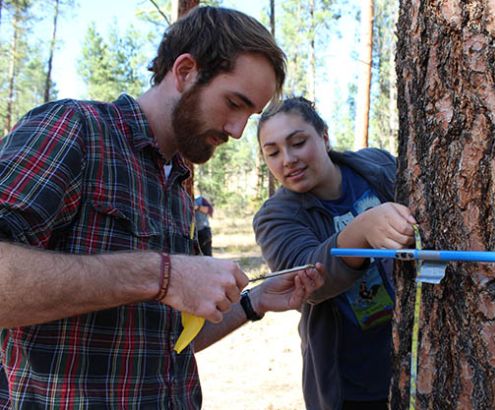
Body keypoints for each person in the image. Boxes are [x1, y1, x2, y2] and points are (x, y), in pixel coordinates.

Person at [0, 7, 324, 409]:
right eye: (234, 103)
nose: (238, 131)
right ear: (186, 71)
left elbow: (168, 343)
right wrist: (161, 276)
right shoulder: (74, 129)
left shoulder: (178, 182)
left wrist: (253, 302)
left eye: (250, 115)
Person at [253, 97, 417, 410]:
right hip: (354, 384)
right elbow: (304, 278)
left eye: (298, 142)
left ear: (324, 136)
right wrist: (361, 230)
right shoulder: (274, 216)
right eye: (272, 152)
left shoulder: (378, 166)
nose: (287, 159)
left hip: (422, 360)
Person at [194, 191, 214, 256]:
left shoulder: (200, 199)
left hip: (203, 231)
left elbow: (210, 210)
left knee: (207, 255)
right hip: (191, 233)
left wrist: (198, 207)